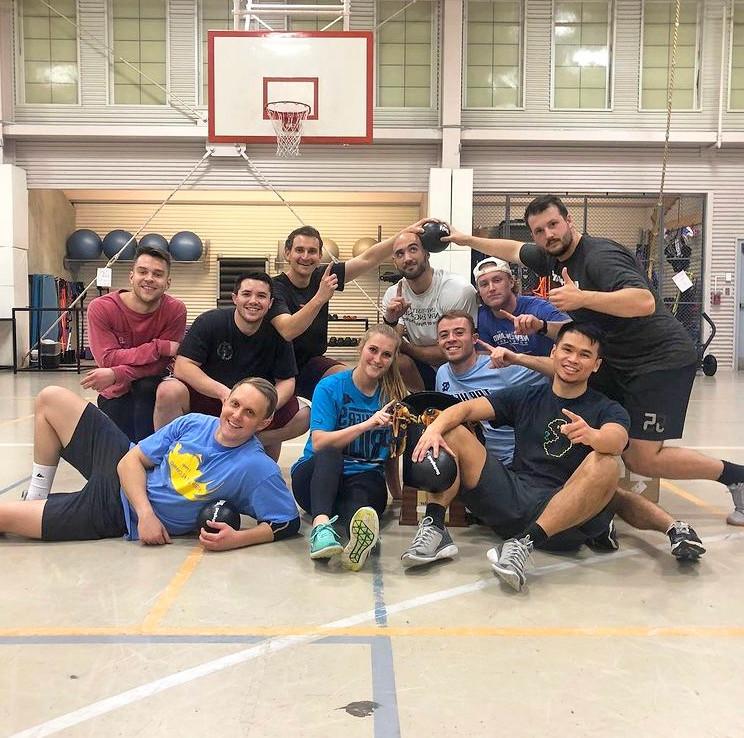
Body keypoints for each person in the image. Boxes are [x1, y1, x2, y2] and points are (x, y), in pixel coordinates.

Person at [446, 195, 744, 525]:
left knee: (643, 459)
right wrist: (466, 240)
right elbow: (512, 250)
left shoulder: (599, 257)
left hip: (658, 360)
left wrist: (581, 297)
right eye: (539, 231)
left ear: (569, 221)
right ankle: (575, 493)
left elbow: (644, 301)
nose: (548, 235)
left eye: (553, 225)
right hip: (615, 358)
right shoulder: (550, 256)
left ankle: (736, 476)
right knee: (567, 380)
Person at [410, 323, 705, 592]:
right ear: (553, 352)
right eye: (567, 349)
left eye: (584, 355)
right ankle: (435, 528)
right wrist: (434, 429)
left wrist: (593, 436)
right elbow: (467, 409)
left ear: (596, 365)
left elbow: (617, 440)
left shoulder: (607, 409)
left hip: (564, 519)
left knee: (605, 463)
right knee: (453, 431)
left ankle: (524, 546)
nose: (573, 359)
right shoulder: (525, 395)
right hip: (511, 499)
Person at [0, 378, 300, 549]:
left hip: (114, 511)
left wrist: (237, 539)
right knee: (51, 397)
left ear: (265, 421)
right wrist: (147, 515)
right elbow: (131, 460)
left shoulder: (256, 467)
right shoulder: (194, 423)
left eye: (250, 412)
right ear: (225, 402)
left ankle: (30, 510)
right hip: (122, 470)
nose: (236, 416)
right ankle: (37, 494)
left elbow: (286, 521)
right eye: (234, 404)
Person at [400, 310, 547, 567]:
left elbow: (558, 372)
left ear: (475, 338)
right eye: (444, 335)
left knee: (449, 428)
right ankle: (435, 527)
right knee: (439, 427)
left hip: (513, 467)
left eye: (459, 333)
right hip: (474, 465)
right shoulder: (443, 374)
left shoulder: (503, 367)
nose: (451, 339)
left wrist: (519, 359)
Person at [153, 271, 306, 461]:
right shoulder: (210, 322)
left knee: (304, 414)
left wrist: (267, 407)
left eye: (261, 296)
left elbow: (286, 381)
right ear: (235, 298)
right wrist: (223, 393)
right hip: (211, 399)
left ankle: (250, 441)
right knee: (168, 390)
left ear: (270, 303)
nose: (253, 301)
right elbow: (183, 366)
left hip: (251, 411)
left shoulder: (278, 333)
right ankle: (164, 457)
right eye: (246, 294)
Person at [269, 221, 428, 400]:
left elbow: (368, 258)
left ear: (320, 255)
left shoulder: (324, 274)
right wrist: (320, 297)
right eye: (299, 250)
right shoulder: (275, 287)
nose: (306, 256)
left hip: (312, 362)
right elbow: (288, 331)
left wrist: (403, 235)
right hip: (278, 370)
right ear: (287, 253)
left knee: (353, 381)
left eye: (312, 251)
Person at [291, 324, 406, 571]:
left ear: (393, 359)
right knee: (331, 452)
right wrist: (367, 424)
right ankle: (321, 528)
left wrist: (398, 495)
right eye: (373, 350)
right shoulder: (331, 387)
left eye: (386, 354)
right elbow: (320, 442)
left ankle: (358, 540)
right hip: (315, 479)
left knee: (364, 504)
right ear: (361, 348)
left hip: (361, 478)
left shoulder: (393, 396)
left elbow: (391, 452)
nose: (377, 359)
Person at [81, 245, 186, 443]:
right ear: (131, 277)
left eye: (157, 274)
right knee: (121, 456)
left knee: (148, 388)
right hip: (115, 392)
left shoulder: (175, 310)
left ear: (168, 282)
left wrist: (117, 373)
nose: (149, 278)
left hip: (152, 389)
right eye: (142, 271)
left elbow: (159, 366)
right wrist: (159, 347)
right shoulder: (101, 308)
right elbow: (108, 359)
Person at [382, 230, 478, 392]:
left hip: (456, 362)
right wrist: (390, 320)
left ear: (426, 253)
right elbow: (390, 347)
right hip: (421, 367)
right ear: (394, 262)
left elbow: (456, 346)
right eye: (400, 254)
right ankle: (421, 402)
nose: (408, 258)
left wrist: (408, 347)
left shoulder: (457, 289)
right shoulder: (394, 295)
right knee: (395, 360)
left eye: (413, 249)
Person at [472, 256, 568, 356]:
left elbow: (576, 332)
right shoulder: (481, 317)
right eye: (484, 284)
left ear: (511, 282)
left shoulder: (538, 307)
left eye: (497, 280)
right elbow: (484, 358)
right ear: (479, 291)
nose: (491, 288)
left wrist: (541, 326)